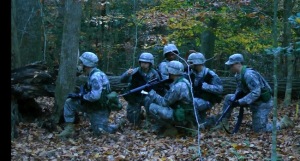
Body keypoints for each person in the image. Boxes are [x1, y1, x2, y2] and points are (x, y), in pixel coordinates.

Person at [215, 53, 294, 133]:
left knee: (259, 129)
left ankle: (282, 123)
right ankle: (223, 122)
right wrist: (235, 98)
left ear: (238, 64)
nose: (230, 67)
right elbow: (240, 88)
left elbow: (256, 93)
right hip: (252, 100)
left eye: (231, 65)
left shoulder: (249, 75)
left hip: (262, 102)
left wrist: (240, 102)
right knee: (229, 98)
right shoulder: (238, 75)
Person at [58, 52, 122, 139]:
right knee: (70, 103)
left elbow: (95, 96)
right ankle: (69, 128)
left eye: (82, 63)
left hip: (100, 108)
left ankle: (117, 125)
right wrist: (80, 95)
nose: (80, 65)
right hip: (92, 105)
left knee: (100, 132)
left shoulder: (95, 76)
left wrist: (82, 97)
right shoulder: (91, 74)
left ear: (86, 64)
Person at [146, 60, 195, 135]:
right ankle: (185, 125)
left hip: (181, 115)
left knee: (152, 107)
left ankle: (171, 128)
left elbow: (164, 102)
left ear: (172, 72)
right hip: (187, 113)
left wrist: (151, 92)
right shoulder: (184, 80)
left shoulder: (178, 86)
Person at [120, 52, 161, 126]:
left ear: (150, 63)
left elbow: (158, 87)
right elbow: (121, 80)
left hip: (147, 95)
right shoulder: (134, 71)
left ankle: (149, 117)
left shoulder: (155, 74)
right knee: (133, 120)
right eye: (142, 62)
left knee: (149, 101)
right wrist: (127, 74)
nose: (144, 64)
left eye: (146, 62)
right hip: (136, 96)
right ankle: (139, 113)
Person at [186, 52, 223, 129]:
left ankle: (198, 126)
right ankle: (208, 122)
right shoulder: (191, 73)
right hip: (197, 98)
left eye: (191, 63)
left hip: (207, 100)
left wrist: (205, 86)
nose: (189, 65)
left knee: (192, 103)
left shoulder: (210, 74)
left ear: (197, 63)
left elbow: (220, 89)